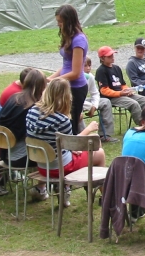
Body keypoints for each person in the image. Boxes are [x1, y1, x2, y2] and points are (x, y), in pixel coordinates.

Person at [25, 78, 106, 206]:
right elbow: (72, 143)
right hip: (60, 167)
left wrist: (71, 148)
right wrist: (89, 128)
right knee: (99, 152)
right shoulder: (61, 120)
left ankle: (63, 188)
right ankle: (104, 195)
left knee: (89, 143)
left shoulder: (32, 111)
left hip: (42, 165)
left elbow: (64, 143)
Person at [0, 69, 47, 183]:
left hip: (4, 153)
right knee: (52, 151)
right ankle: (42, 187)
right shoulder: (33, 107)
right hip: (18, 157)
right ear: (42, 86)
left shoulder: (14, 97)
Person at [47, 4, 88, 135]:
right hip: (65, 86)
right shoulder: (69, 37)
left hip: (75, 88)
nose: (58, 24)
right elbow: (66, 66)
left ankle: (73, 146)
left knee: (71, 124)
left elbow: (75, 73)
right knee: (62, 122)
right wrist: (50, 78)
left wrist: (55, 82)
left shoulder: (79, 40)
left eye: (60, 21)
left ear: (69, 21)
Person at [95, 46, 145, 130]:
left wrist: (128, 90)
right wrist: (120, 93)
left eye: (112, 55)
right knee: (133, 104)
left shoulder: (116, 68)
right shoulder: (101, 71)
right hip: (111, 98)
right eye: (109, 56)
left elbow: (122, 84)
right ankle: (143, 125)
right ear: (102, 58)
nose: (112, 57)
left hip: (122, 94)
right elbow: (104, 90)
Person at [80, 57, 116, 142]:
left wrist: (94, 106)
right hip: (76, 103)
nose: (88, 68)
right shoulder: (75, 78)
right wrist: (90, 106)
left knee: (105, 102)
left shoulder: (90, 77)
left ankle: (105, 135)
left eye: (89, 65)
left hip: (85, 101)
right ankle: (82, 136)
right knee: (77, 108)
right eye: (85, 66)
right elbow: (74, 99)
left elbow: (95, 93)